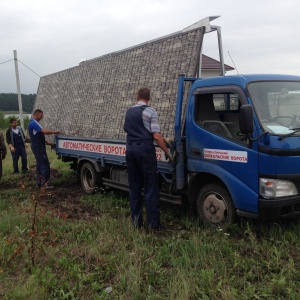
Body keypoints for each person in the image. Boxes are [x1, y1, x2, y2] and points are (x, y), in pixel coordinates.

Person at [124, 87, 172, 230]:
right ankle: (152, 225)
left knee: (134, 188)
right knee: (151, 187)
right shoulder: (150, 111)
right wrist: (167, 151)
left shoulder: (129, 112)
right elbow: (155, 136)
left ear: (137, 97)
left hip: (131, 150)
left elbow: (133, 130)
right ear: (148, 98)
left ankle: (136, 223)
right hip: (144, 151)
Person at [28, 109, 60, 191]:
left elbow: (39, 134)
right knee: (44, 165)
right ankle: (44, 185)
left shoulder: (33, 123)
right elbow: (44, 131)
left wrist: (47, 142)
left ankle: (39, 183)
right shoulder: (33, 123)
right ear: (36, 114)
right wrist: (54, 132)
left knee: (39, 165)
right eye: (41, 116)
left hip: (37, 145)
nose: (42, 118)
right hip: (38, 147)